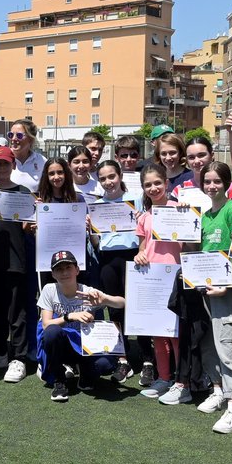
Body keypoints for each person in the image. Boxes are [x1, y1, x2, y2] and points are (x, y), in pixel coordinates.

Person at [191, 161, 232, 433]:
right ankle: (217, 389)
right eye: (207, 182)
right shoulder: (206, 214)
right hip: (205, 286)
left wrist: (226, 283)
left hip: (225, 288)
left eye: (216, 181)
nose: (212, 186)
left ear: (226, 183)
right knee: (209, 342)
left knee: (226, 342)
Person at [37, 250, 123, 402]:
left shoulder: (87, 292)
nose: (64, 273)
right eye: (59, 269)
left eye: (68, 267)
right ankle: (59, 379)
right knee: (52, 332)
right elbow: (45, 325)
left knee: (107, 364)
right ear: (53, 274)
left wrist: (105, 299)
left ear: (77, 270)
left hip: (84, 346)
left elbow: (122, 303)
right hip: (60, 345)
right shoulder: (49, 290)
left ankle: (84, 372)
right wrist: (70, 316)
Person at [0, 145, 35, 384]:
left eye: (5, 163)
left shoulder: (23, 192)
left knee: (17, 312)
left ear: (13, 165)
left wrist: (32, 221)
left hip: (16, 260)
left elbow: (27, 228)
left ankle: (19, 357)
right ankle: (0, 352)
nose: (2, 168)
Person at [87, 159, 138, 380]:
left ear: (120, 176)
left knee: (137, 308)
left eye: (112, 177)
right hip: (108, 260)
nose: (108, 182)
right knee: (114, 309)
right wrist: (91, 229)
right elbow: (97, 244)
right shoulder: (97, 205)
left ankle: (146, 358)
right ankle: (123, 359)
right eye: (103, 179)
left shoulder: (135, 200)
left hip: (134, 257)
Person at [133, 163, 181, 397]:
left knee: (176, 334)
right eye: (148, 185)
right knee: (158, 334)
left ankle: (182, 379)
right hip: (152, 278)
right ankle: (163, 378)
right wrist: (140, 254)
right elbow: (143, 246)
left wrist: (184, 211)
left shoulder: (179, 209)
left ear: (167, 183)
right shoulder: (144, 217)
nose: (153, 188)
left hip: (175, 276)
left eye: (157, 183)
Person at [0, 119, 43, 191]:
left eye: (19, 135)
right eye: (11, 135)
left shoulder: (42, 162)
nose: (13, 139)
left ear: (30, 139)